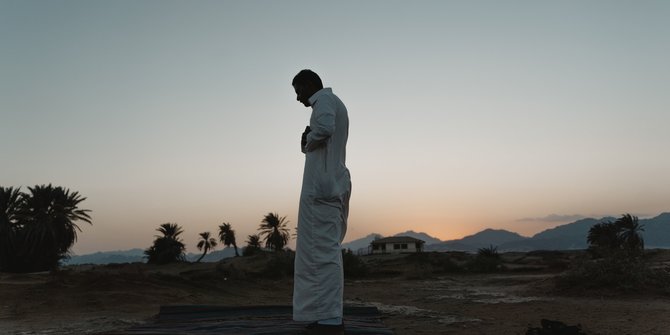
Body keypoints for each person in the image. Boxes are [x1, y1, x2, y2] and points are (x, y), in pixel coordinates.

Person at [291, 69, 351, 335]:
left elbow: (325, 128)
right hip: (328, 186)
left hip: (321, 189)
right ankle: (325, 314)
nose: (298, 98)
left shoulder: (324, 101)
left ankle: (329, 319)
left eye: (298, 91)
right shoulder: (332, 103)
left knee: (322, 253)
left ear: (309, 85)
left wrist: (308, 140)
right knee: (320, 252)